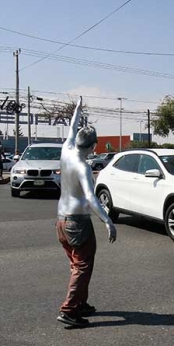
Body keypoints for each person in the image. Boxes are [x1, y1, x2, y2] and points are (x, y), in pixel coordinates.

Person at [55, 97, 117, 328]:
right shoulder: (83, 166)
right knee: (82, 266)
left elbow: (72, 127)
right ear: (93, 146)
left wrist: (78, 109)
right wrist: (108, 221)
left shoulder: (66, 149)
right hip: (77, 223)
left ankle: (81, 303)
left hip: (61, 222)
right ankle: (69, 310)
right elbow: (91, 198)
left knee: (77, 264)